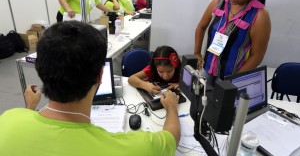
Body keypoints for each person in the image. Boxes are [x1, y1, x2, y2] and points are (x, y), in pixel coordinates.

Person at [0, 21, 180, 156]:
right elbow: (172, 137)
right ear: (100, 76)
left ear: (40, 70)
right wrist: (171, 108)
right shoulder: (137, 149)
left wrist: (29, 109)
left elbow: (21, 123)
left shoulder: (8, 120)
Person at [194, 0, 271, 81]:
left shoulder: (259, 15)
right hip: (207, 68)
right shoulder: (219, 1)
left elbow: (257, 55)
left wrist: (235, 79)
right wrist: (197, 53)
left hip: (231, 75)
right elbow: (201, 27)